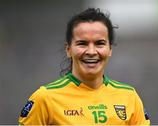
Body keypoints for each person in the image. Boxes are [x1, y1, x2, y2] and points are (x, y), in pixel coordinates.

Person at [18, 8, 150, 125]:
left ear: (110, 49)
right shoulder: (45, 99)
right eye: (82, 43)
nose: (91, 52)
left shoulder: (129, 97)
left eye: (99, 43)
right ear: (68, 49)